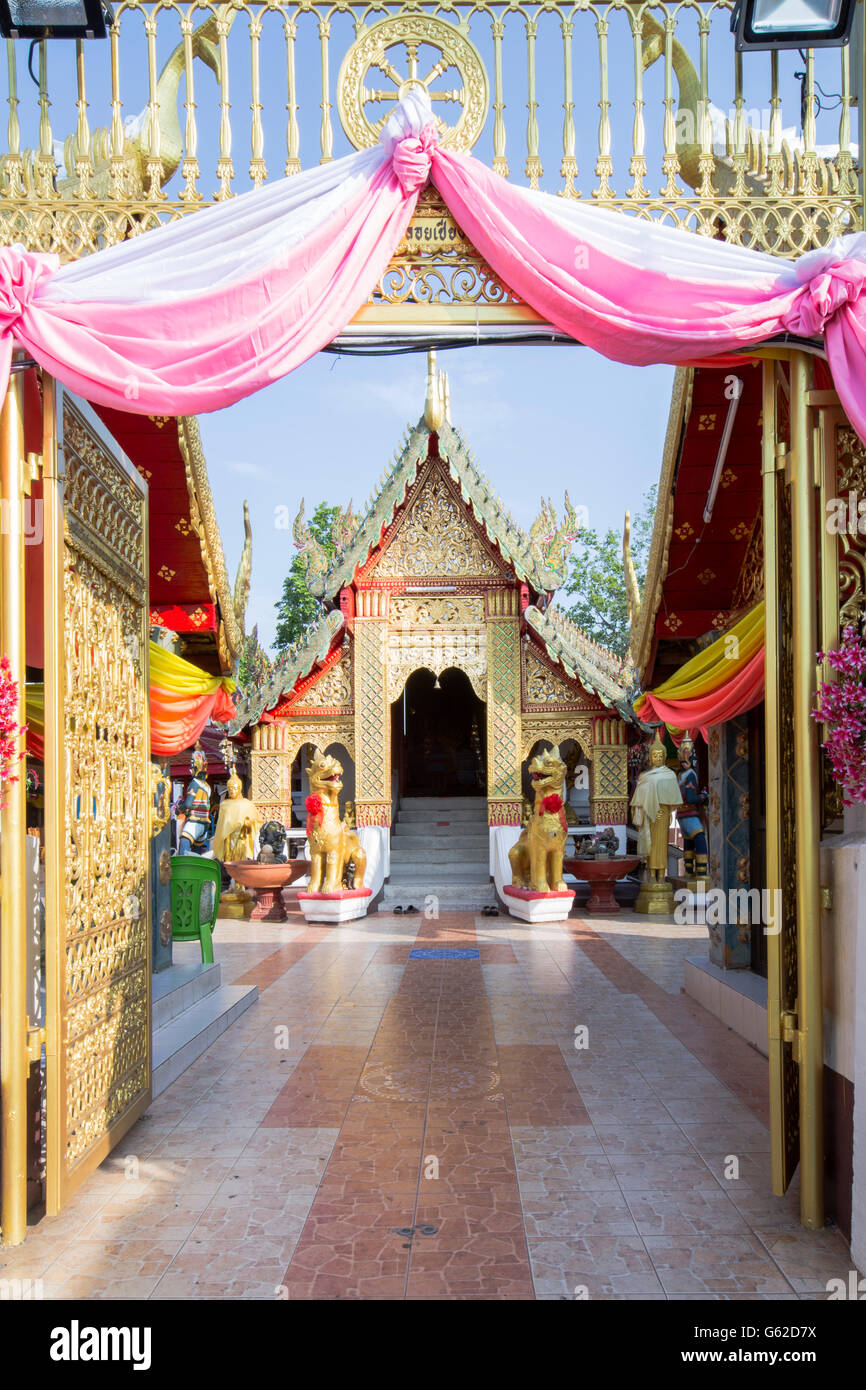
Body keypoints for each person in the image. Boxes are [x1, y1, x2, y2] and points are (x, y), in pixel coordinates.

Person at [630, 730, 683, 881]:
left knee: (661, 847)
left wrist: (663, 809)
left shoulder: (670, 775)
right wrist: (641, 811)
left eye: (660, 756)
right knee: (650, 846)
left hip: (663, 815)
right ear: (650, 758)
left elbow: (673, 800)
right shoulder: (645, 777)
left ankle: (661, 876)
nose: (658, 758)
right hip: (649, 817)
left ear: (665, 757)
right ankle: (652, 875)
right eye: (655, 755)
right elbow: (637, 801)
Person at [175, 745, 212, 855]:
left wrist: (179, 808)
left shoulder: (194, 783)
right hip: (205, 823)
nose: (190, 769)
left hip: (194, 820)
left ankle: (182, 866)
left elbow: (188, 804)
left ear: (197, 767)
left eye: (192, 766)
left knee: (184, 842)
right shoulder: (207, 786)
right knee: (197, 853)